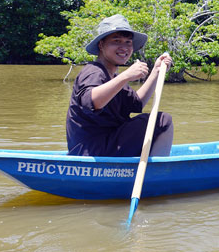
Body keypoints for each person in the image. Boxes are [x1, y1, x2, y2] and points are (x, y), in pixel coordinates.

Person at [66, 14, 174, 157]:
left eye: (128, 42)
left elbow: (137, 103)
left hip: (106, 145)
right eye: (116, 41)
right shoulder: (94, 72)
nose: (124, 47)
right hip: (91, 151)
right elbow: (92, 102)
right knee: (162, 120)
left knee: (157, 120)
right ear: (101, 45)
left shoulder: (114, 78)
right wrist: (126, 75)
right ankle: (158, 173)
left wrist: (156, 71)